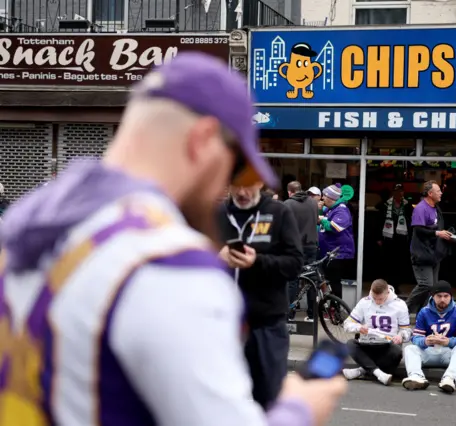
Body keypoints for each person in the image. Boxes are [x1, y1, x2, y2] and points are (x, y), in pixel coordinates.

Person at [0, 53, 346, 426]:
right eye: (233, 166)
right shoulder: (170, 265)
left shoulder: (22, 228)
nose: (228, 183)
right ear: (203, 140)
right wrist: (301, 411)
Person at [217, 181, 304, 409]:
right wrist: (214, 257)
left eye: (248, 186)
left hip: (266, 324)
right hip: (222, 326)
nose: (242, 192)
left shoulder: (278, 212)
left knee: (269, 401)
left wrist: (258, 261)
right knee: (220, 402)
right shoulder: (218, 214)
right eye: (237, 186)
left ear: (259, 182)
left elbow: (295, 264)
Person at [402, 280, 456, 394]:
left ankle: (449, 379)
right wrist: (425, 341)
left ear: (451, 296)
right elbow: (415, 337)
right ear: (432, 296)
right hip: (429, 352)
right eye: (439, 296)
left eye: (446, 296)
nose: (442, 299)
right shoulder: (424, 312)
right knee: (409, 348)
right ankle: (417, 377)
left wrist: (448, 341)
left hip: (448, 353)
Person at [342, 279, 412, 385]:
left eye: (380, 299)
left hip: (387, 346)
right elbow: (346, 324)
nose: (377, 302)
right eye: (374, 298)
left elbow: (407, 330)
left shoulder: (400, 305)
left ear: (388, 292)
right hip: (368, 344)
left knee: (397, 351)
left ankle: (361, 370)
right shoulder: (364, 302)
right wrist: (359, 328)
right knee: (350, 344)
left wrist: (400, 336)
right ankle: (379, 373)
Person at [406, 180, 452, 313]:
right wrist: (437, 233)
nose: (441, 193)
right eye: (438, 191)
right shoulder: (421, 208)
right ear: (430, 193)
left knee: (433, 288)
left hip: (434, 254)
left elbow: (437, 227)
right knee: (426, 284)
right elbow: (418, 230)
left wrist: (446, 234)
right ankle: (404, 309)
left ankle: (426, 313)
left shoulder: (436, 208)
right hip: (421, 253)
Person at [284, 180, 320, 321]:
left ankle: (290, 314)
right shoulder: (313, 203)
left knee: (292, 281)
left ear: (289, 192)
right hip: (311, 246)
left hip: (294, 248)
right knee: (311, 280)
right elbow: (316, 220)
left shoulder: (287, 204)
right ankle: (312, 314)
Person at [318, 183, 355, 302]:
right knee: (329, 280)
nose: (322, 198)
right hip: (329, 252)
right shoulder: (332, 209)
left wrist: (322, 220)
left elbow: (335, 227)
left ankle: (336, 309)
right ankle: (331, 307)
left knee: (335, 282)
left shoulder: (342, 210)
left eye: (324, 196)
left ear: (331, 198)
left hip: (338, 253)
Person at [377, 184, 413, 285]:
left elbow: (410, 220)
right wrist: (379, 238)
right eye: (396, 191)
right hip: (388, 236)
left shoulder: (407, 205)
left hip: (401, 236)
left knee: (399, 261)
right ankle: (387, 283)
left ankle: (396, 284)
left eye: (401, 191)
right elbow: (379, 221)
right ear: (393, 193)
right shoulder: (386, 204)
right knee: (388, 260)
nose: (399, 193)